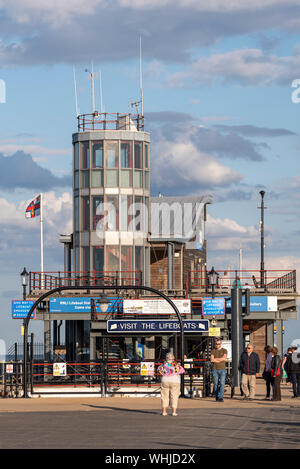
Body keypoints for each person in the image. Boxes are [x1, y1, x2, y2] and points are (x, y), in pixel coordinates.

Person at [158, 352, 185, 416]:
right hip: (175, 380)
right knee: (174, 396)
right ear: (173, 358)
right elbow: (182, 371)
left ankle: (164, 411)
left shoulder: (163, 364)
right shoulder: (176, 365)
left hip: (165, 380)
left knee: (164, 396)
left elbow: (159, 370)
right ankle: (174, 412)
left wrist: (164, 374)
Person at [210, 338, 227, 402]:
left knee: (222, 383)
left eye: (219, 344)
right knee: (215, 383)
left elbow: (224, 358)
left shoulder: (224, 350)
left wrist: (216, 359)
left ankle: (221, 397)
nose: (217, 345)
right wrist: (220, 359)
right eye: (216, 344)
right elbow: (212, 360)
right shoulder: (213, 351)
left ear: (221, 344)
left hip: (222, 369)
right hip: (215, 369)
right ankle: (216, 396)